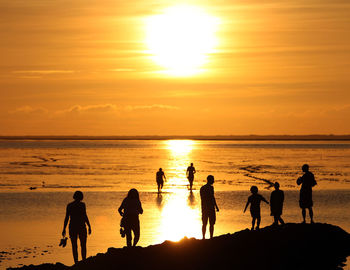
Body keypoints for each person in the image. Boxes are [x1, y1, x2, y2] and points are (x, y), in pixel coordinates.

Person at [62, 191, 92, 264]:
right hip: (81, 226)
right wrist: (89, 226)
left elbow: (66, 218)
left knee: (74, 246)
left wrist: (64, 229)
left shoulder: (70, 205)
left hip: (73, 226)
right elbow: (85, 216)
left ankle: (76, 262)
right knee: (83, 245)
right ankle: (84, 261)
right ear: (81, 197)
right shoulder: (82, 205)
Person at [200, 175, 219, 239]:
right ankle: (210, 237)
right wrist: (215, 206)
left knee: (206, 223)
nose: (213, 181)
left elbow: (211, 198)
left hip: (205, 208)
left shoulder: (203, 188)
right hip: (209, 208)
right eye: (212, 180)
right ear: (209, 180)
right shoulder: (210, 188)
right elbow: (212, 198)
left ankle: (204, 237)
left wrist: (216, 206)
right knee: (210, 223)